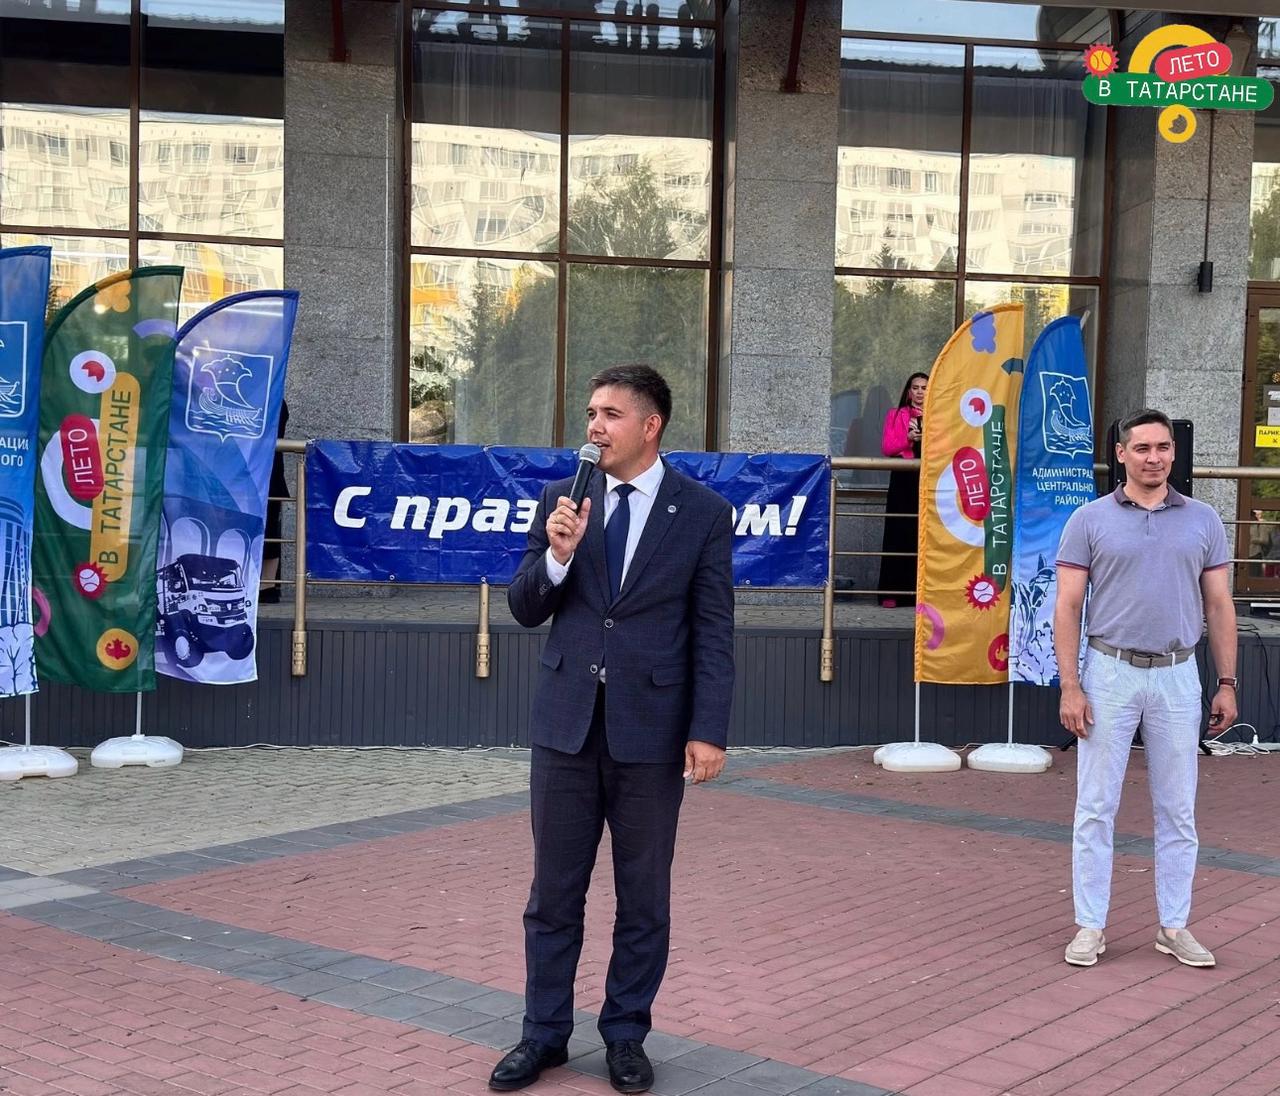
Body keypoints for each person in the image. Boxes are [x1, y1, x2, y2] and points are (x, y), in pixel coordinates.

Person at [490, 364, 735, 1094]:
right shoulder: (561, 500)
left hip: (651, 734)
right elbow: (524, 607)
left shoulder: (702, 513)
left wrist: (709, 729)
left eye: (611, 415)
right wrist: (557, 556)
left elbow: (713, 632)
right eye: (592, 413)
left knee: (644, 897)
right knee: (552, 896)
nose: (594, 427)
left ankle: (626, 1035)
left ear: (650, 425)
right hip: (565, 729)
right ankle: (543, 1035)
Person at [1054, 409, 1237, 969]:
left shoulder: (1203, 520)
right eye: (1142, 448)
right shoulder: (1089, 519)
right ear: (1121, 454)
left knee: (1178, 808)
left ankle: (1173, 925)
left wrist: (1226, 682)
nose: (1153, 458)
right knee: (1095, 806)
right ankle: (1090, 926)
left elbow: (1219, 606)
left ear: (1173, 453)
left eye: (1162, 448)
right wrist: (1070, 685)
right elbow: (1067, 606)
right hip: (1109, 672)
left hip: (1179, 674)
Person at [878, 372, 927, 608]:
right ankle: (891, 592)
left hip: (927, 477)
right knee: (897, 530)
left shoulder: (939, 414)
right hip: (903, 478)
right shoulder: (896, 414)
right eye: (915, 387)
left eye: (924, 388)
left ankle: (920, 593)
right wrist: (908, 438)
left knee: (923, 532)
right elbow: (887, 447)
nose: (920, 392)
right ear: (909, 391)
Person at [259, 398, 289, 604]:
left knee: (269, 528)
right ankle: (266, 585)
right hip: (255, 474)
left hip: (267, 475)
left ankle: (268, 584)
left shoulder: (274, 399)